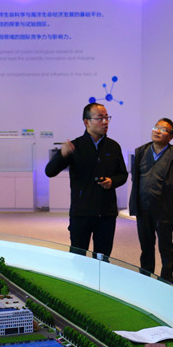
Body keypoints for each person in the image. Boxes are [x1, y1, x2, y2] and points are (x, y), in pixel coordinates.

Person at [45, 102, 127, 257]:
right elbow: (49, 171)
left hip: (107, 213)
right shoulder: (75, 146)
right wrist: (61, 154)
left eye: (107, 118)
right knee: (78, 257)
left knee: (102, 259)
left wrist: (112, 181)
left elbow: (123, 175)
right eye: (100, 118)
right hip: (81, 212)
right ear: (86, 122)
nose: (105, 122)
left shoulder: (113, 146)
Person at [128, 118, 173, 284]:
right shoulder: (141, 152)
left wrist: (171, 201)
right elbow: (136, 178)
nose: (157, 131)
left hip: (164, 210)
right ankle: (146, 278)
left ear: (171, 136)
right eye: (156, 127)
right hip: (143, 208)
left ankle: (167, 279)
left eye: (163, 129)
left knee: (165, 247)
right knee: (146, 247)